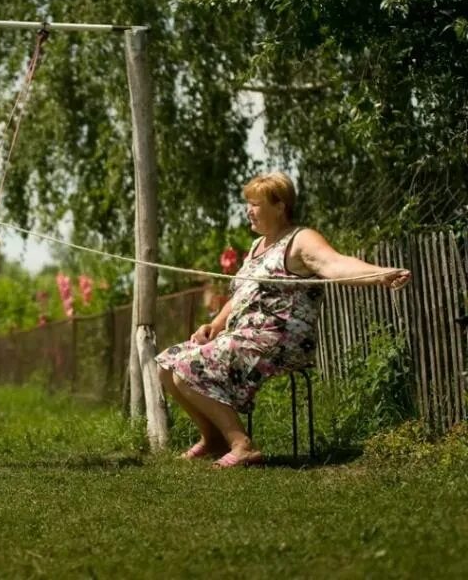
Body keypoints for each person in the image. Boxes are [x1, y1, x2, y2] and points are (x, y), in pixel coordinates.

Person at [156, 172, 411, 468]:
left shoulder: (300, 239)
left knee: (186, 369)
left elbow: (335, 264)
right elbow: (242, 294)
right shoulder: (257, 247)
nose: (248, 210)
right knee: (167, 365)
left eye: (255, 203)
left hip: (280, 338)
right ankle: (213, 439)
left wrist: (381, 275)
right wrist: (215, 324)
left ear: (280, 206)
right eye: (247, 204)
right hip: (243, 335)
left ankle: (242, 445)